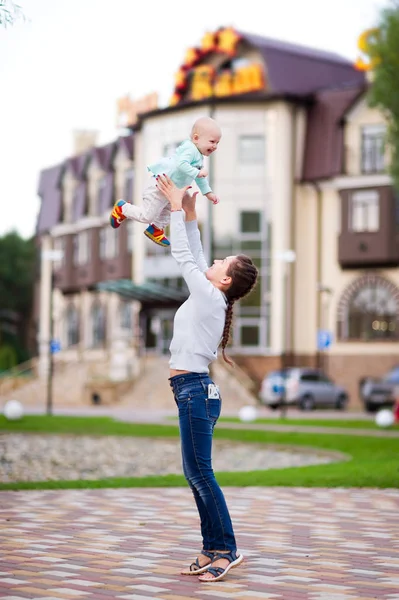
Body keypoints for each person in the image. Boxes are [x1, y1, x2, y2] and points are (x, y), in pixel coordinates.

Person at [155, 174, 258, 583]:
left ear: (225, 280)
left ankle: (226, 549)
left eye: (221, 264)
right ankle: (211, 547)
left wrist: (177, 209)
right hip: (192, 391)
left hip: (195, 391)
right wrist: (191, 213)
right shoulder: (211, 294)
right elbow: (195, 255)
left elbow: (183, 257)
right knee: (195, 474)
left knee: (201, 474)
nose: (213, 263)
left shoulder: (211, 297)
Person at [109, 117, 221, 247]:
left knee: (168, 211)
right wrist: (197, 172)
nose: (215, 146)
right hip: (159, 186)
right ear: (196, 138)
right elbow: (181, 164)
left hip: (170, 190)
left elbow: (200, 178)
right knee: (147, 216)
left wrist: (208, 193)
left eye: (217, 143)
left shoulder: (198, 157)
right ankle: (123, 208)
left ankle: (155, 229)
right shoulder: (189, 149)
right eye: (212, 141)